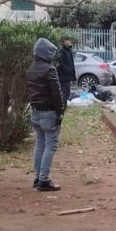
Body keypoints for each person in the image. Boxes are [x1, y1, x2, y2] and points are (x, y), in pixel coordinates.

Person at [26, 38, 65, 191]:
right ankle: (44, 180)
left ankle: (37, 177)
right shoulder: (50, 70)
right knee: (50, 145)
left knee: (40, 144)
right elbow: (57, 93)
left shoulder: (31, 69)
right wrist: (60, 111)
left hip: (35, 112)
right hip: (49, 113)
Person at [56, 36, 76, 101]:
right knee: (64, 93)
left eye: (70, 40)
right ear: (64, 41)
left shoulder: (69, 50)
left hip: (68, 77)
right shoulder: (61, 50)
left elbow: (71, 63)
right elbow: (60, 64)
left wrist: (72, 74)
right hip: (63, 77)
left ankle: (63, 105)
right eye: (68, 40)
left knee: (67, 93)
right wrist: (69, 70)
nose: (70, 42)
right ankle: (62, 107)